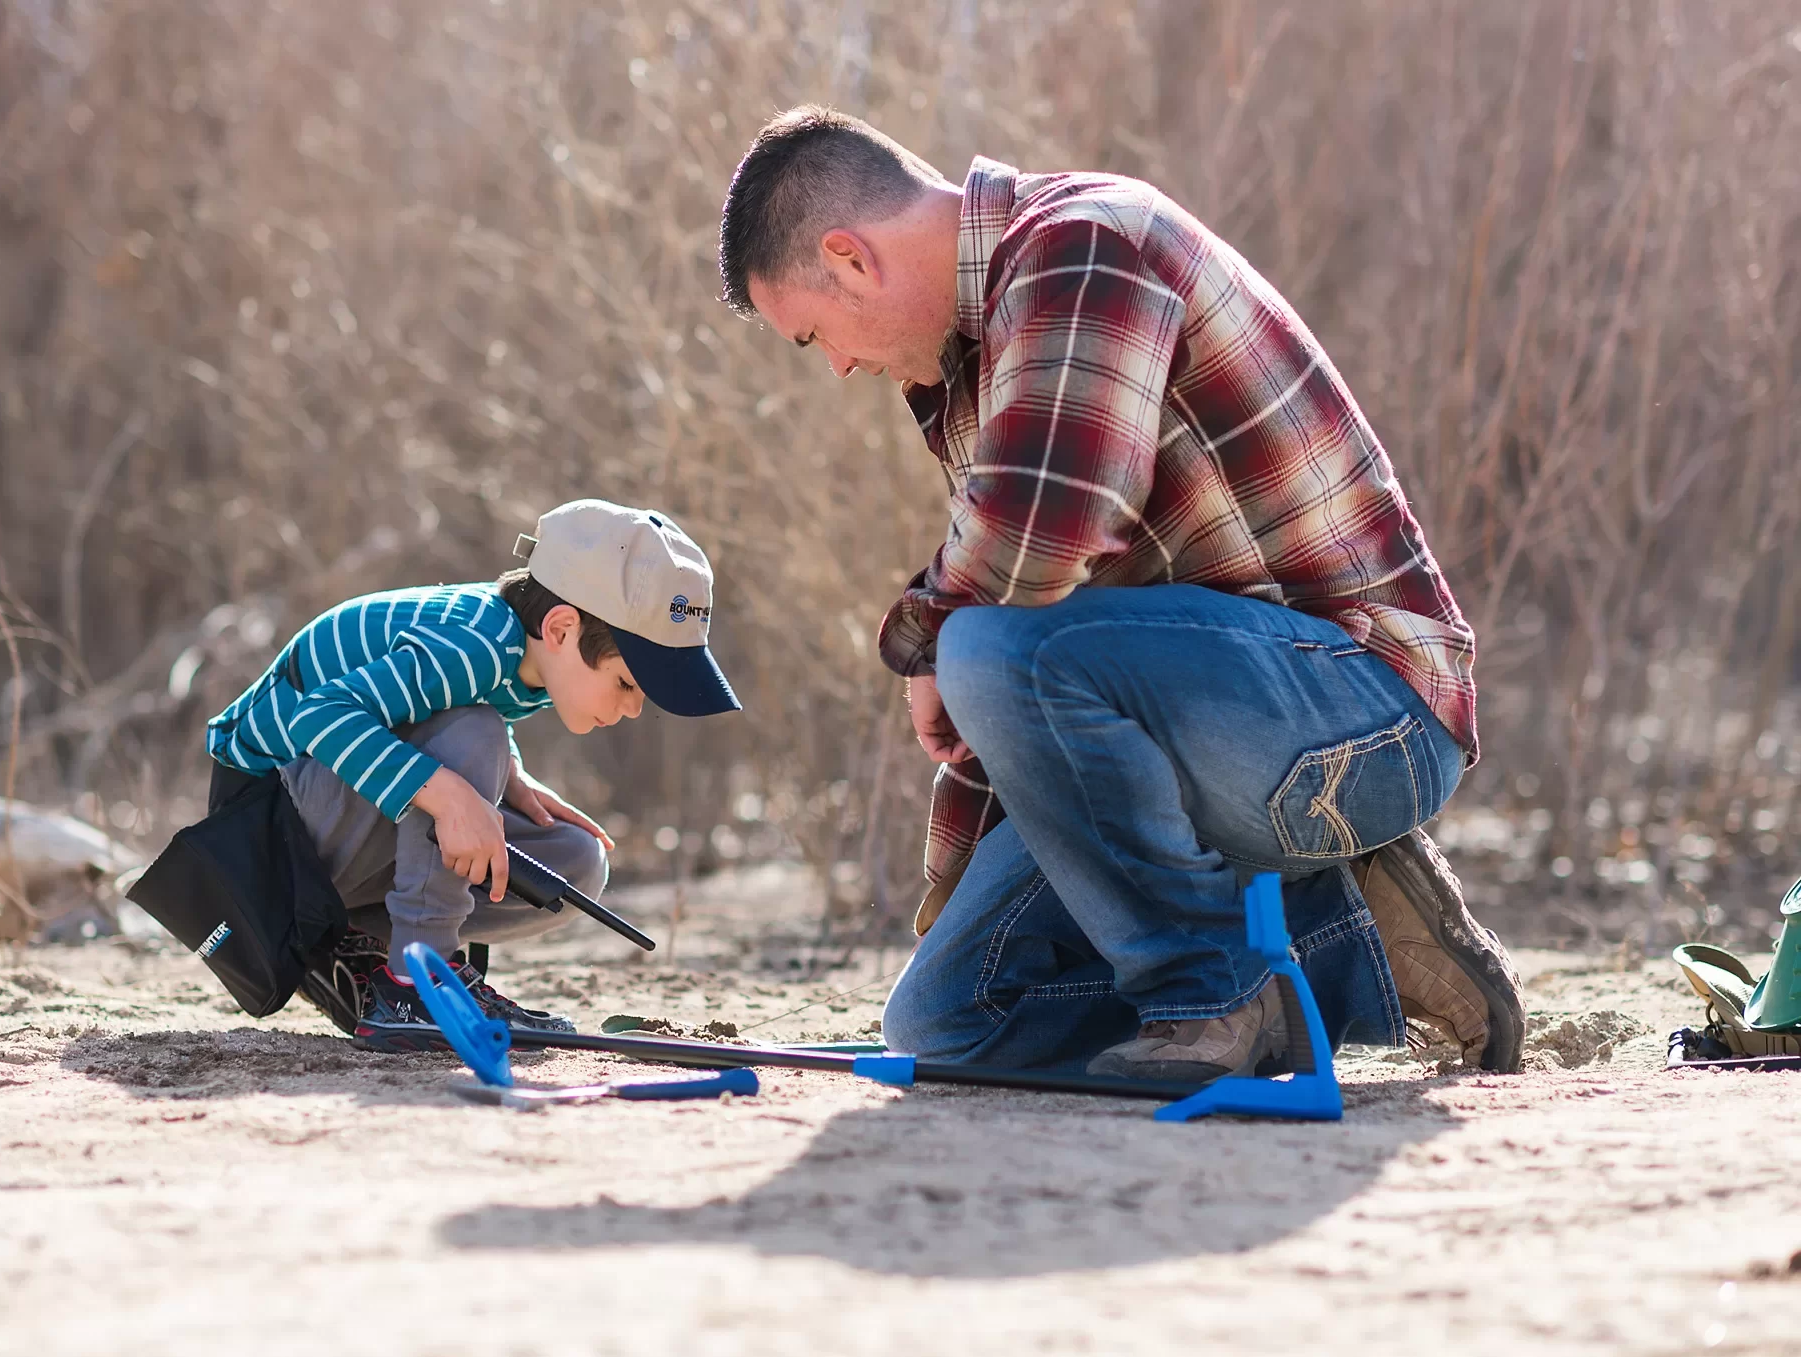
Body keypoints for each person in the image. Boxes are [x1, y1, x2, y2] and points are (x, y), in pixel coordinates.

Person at [716, 106, 1524, 1083]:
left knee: (980, 650)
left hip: (1366, 717)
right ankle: (1344, 938)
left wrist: (929, 643)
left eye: (813, 338)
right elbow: (1037, 657)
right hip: (1206, 741)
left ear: (849, 259)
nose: (838, 366)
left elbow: (1028, 552)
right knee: (945, 1023)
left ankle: (1209, 1001)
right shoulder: (969, 367)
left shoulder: (1078, 248)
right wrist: (961, 896)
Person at [203, 499, 738, 1051]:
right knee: (474, 737)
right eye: (627, 684)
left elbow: (432, 712)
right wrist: (455, 793)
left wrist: (511, 778)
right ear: (560, 629)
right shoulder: (474, 643)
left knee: (576, 862)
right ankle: (417, 984)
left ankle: (353, 947)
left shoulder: (514, 651)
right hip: (258, 841)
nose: (631, 709)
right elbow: (322, 716)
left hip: (324, 835)